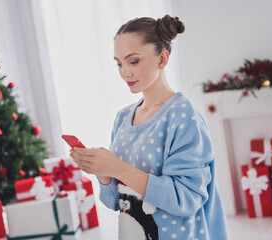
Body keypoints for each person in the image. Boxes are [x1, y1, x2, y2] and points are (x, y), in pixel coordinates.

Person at [70, 14, 228, 240]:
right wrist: (103, 173)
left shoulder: (183, 117)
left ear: (162, 59)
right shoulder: (123, 118)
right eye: (118, 63)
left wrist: (118, 168)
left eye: (133, 61)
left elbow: (185, 199)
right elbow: (116, 203)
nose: (125, 72)